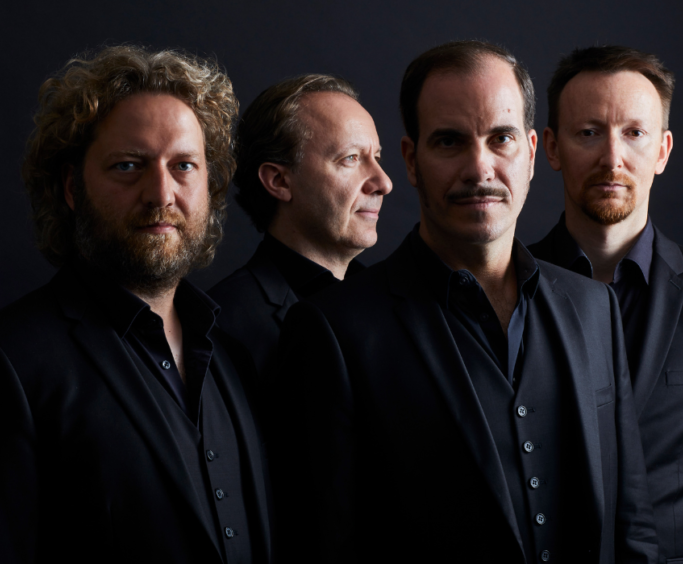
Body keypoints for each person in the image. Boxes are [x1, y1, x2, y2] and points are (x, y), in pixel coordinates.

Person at [271, 40, 657, 564]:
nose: (480, 168)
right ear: (412, 161)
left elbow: (632, 524)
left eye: (501, 139)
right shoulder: (334, 331)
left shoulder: (594, 308)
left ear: (531, 152)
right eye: (450, 142)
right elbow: (325, 547)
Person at [0, 46, 270, 563]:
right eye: (128, 166)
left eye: (184, 166)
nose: (161, 193)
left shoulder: (232, 357)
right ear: (71, 188)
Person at [529, 45, 683, 564]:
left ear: (663, 151)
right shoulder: (509, 289)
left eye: (634, 133)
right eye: (588, 132)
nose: (612, 158)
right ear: (551, 148)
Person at [208, 74, 391, 385]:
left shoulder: (388, 301)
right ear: (279, 181)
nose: (384, 182)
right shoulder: (223, 327)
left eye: (376, 157)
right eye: (350, 158)